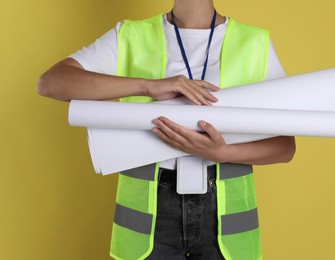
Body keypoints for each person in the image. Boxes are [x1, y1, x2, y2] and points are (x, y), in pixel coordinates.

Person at [37, 0, 296, 259]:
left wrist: (224, 152)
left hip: (226, 224)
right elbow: (51, 83)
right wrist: (148, 86)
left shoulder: (254, 42)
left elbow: (285, 146)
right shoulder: (131, 35)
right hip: (147, 222)